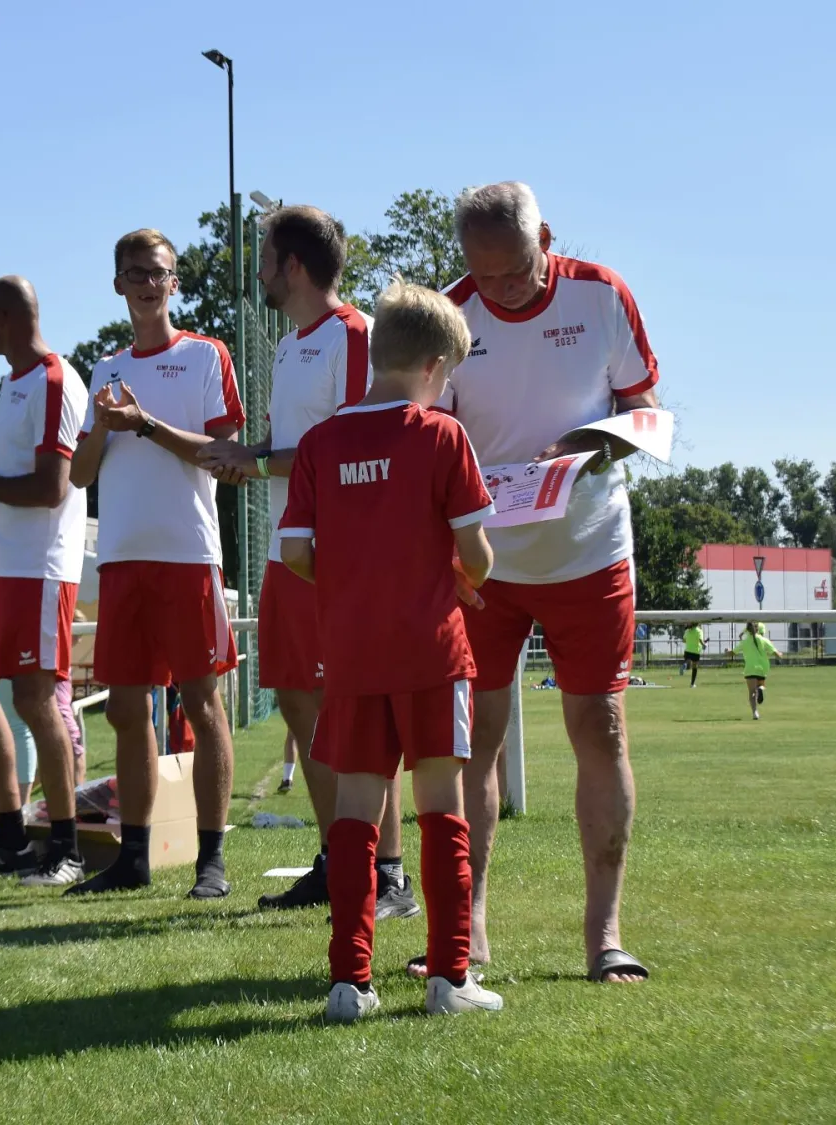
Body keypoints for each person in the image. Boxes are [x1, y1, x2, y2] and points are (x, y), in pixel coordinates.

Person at [426, 181, 660, 984]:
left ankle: (605, 934)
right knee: (473, 739)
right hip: (484, 562)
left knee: (601, 728)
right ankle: (467, 931)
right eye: (483, 274)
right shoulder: (451, 314)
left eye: (515, 270)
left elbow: (646, 411)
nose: (499, 289)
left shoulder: (602, 295)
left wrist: (589, 447)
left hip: (589, 551)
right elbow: (429, 434)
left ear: (547, 240)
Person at [280, 278, 503, 1021]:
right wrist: (459, 575)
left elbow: (297, 553)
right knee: (442, 807)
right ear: (436, 366)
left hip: (352, 653)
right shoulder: (442, 435)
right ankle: (449, 977)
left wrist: (355, 581)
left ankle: (350, 982)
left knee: (355, 814)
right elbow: (478, 556)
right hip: (431, 652)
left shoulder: (319, 443)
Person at [198, 205, 417, 920]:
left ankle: (388, 874)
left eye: (264, 258)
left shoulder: (355, 334)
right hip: (288, 549)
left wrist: (255, 461)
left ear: (291, 266)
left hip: (339, 556)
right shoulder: (293, 346)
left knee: (353, 709)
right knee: (298, 701)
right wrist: (247, 457)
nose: (258, 272)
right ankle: (337, 859)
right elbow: (290, 444)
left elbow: (354, 442)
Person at [66, 229, 242, 900]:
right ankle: (132, 856)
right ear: (118, 283)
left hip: (187, 554)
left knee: (201, 702)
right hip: (122, 558)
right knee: (126, 709)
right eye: (135, 273)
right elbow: (79, 474)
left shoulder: (205, 354)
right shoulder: (106, 369)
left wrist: (144, 424)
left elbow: (226, 456)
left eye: (158, 272)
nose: (147, 283)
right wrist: (105, 428)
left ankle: (211, 859)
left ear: (174, 282)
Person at [0, 276, 88, 887]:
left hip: (37, 566)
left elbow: (53, 486)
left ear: (2, 317)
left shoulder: (54, 380)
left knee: (34, 699)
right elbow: (9, 470)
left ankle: (66, 846)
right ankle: (9, 838)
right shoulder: (15, 383)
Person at [0, 504, 87, 823]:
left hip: (32, 582)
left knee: (33, 705)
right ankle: (6, 819)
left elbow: (56, 486)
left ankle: (59, 830)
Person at [739, 622, 778, 720]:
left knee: (752, 692)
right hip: (762, 668)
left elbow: (734, 649)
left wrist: (727, 652)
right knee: (760, 685)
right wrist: (780, 655)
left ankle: (755, 712)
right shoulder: (763, 639)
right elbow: (774, 652)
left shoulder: (746, 640)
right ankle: (760, 688)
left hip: (750, 668)